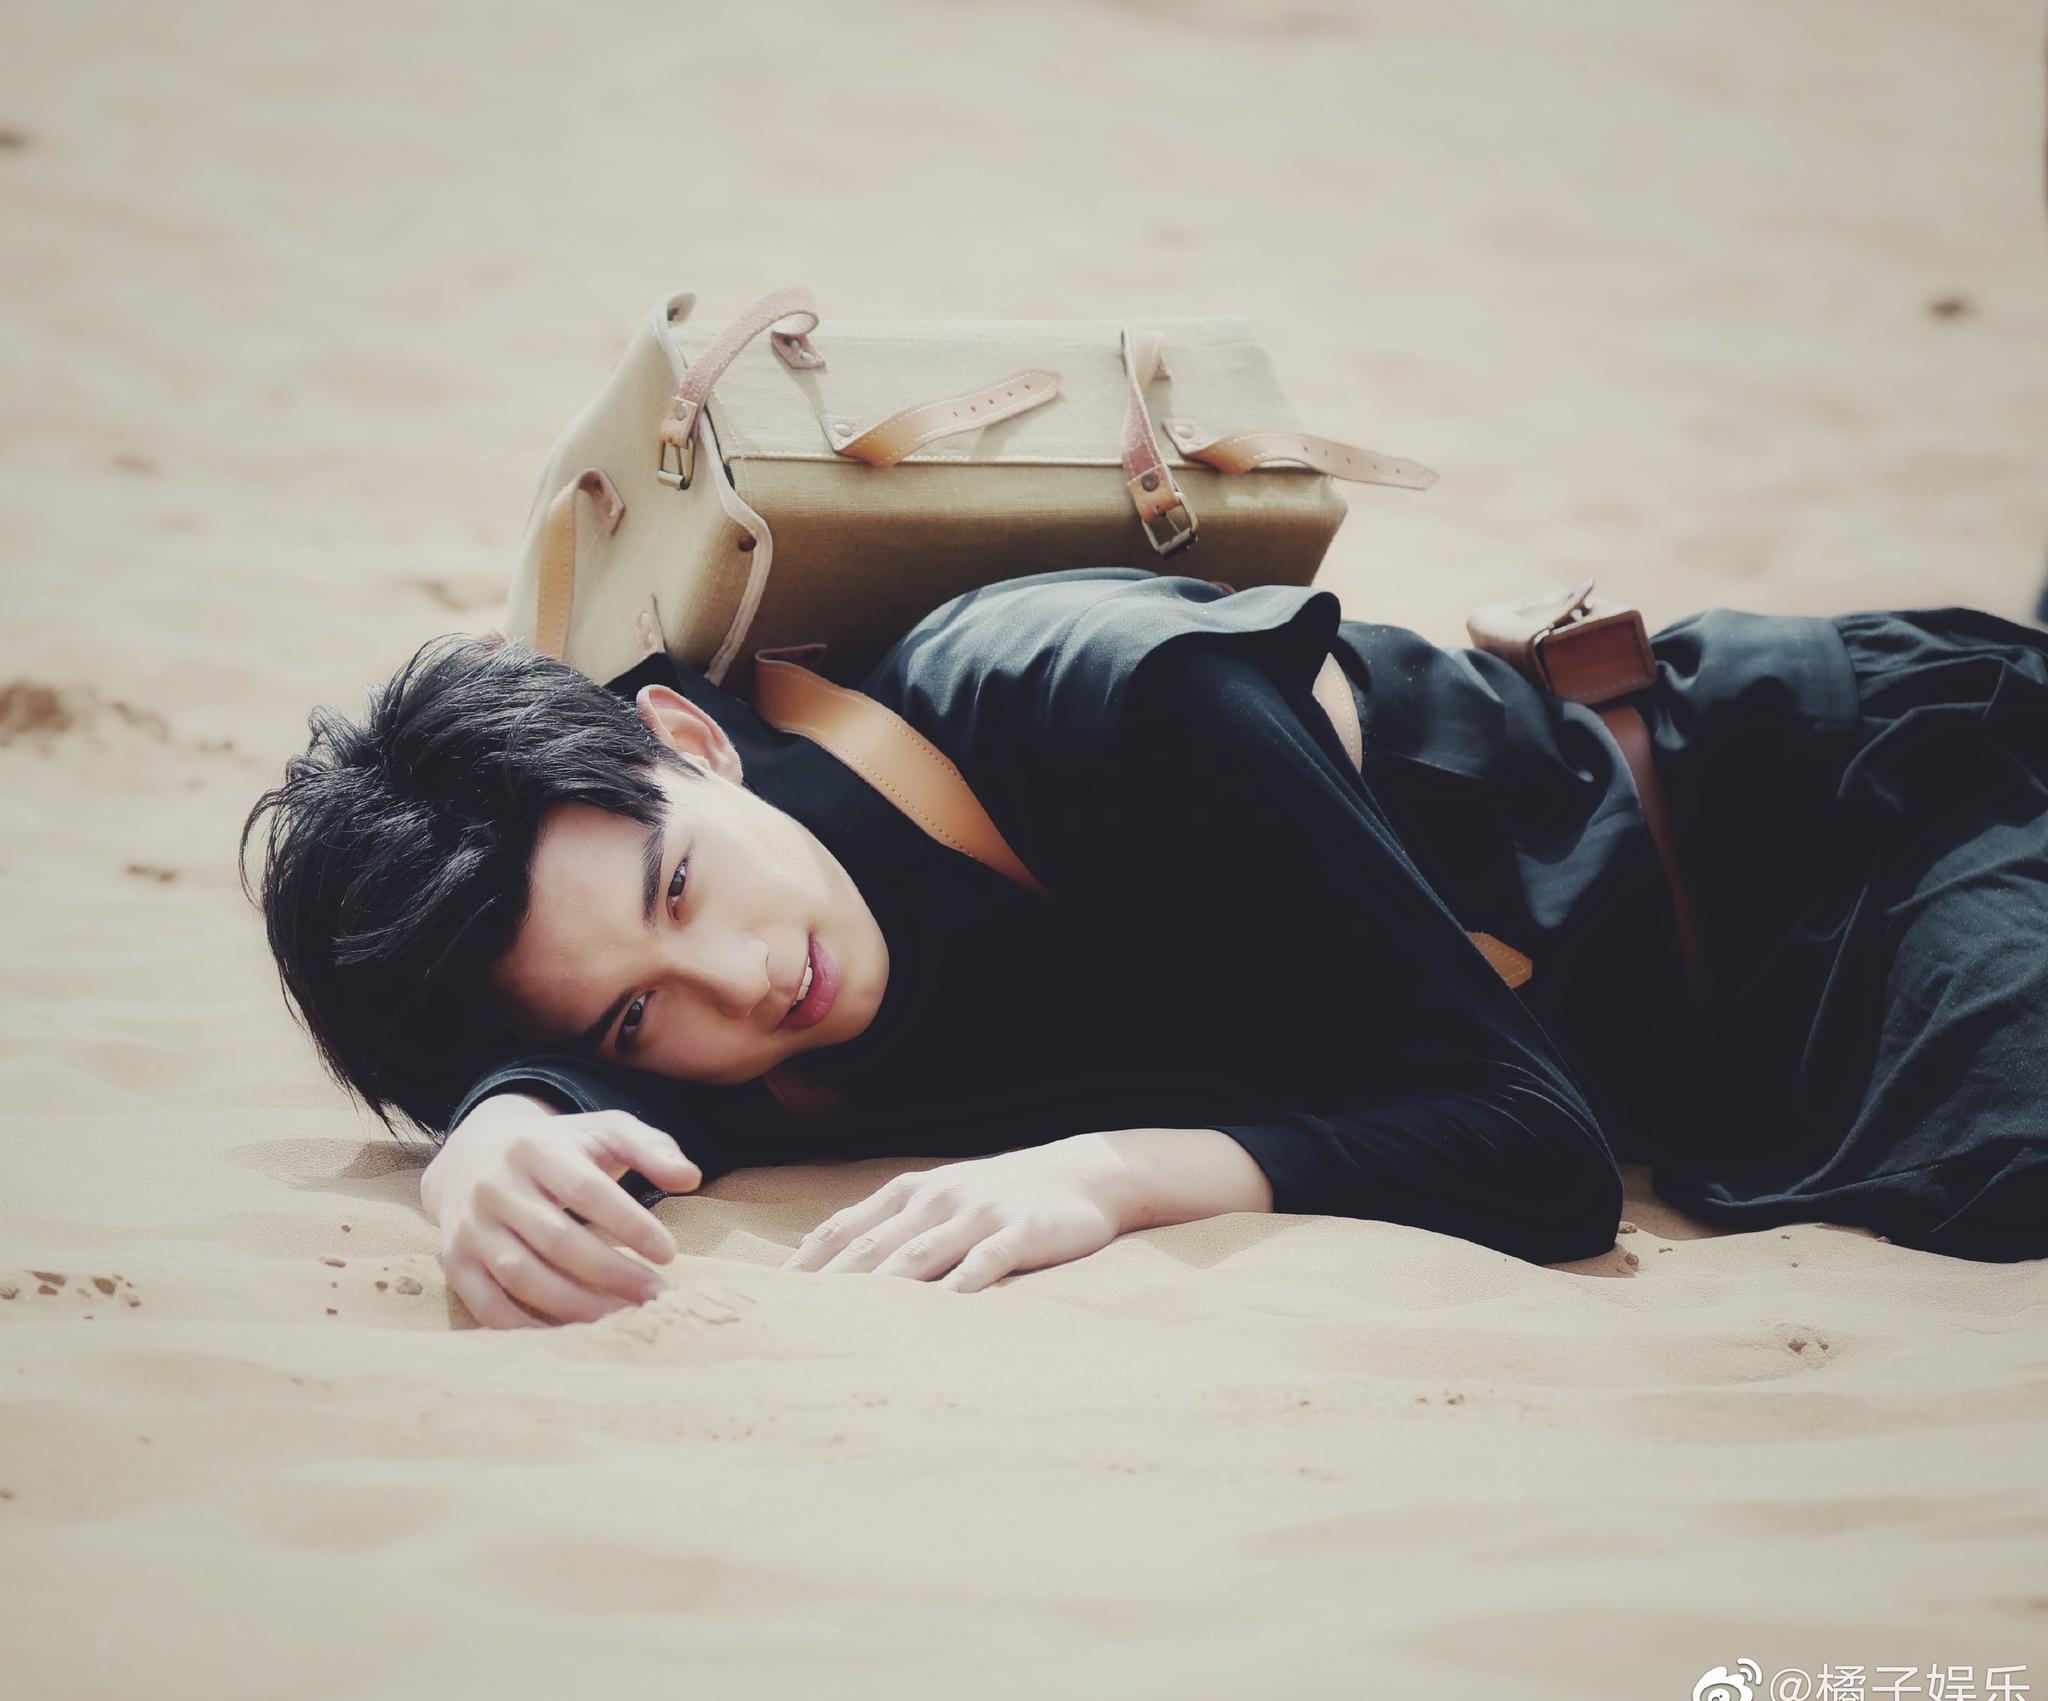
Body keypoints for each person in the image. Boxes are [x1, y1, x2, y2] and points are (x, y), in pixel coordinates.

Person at [242, 568, 2048, 1329]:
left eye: (681, 891)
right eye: (641, 1019)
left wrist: (1116, 1175)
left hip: (1848, 813)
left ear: (691, 740)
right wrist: (494, 1130)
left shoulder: (1115, 700)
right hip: (1706, 1027)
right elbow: (595, 1059)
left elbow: (1544, 1154)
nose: (745, 987)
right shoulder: (731, 1007)